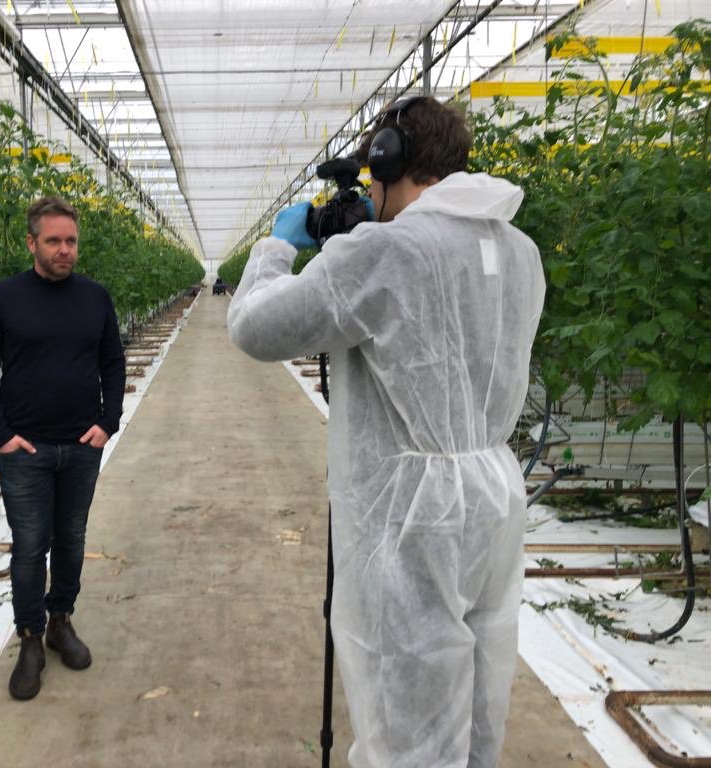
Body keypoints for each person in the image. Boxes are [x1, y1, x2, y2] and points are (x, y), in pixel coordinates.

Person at [227, 96, 545, 768]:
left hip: (413, 512)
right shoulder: (519, 250)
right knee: (481, 688)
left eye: (373, 172)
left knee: (410, 719)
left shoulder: (389, 250)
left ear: (387, 159)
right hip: (494, 490)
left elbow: (255, 328)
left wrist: (278, 246)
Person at [0, 196, 126, 701]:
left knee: (72, 539)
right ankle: (31, 638)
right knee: (30, 547)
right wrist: (2, 435)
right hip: (27, 451)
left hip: (82, 446)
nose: (65, 250)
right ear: (32, 243)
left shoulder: (95, 297)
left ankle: (62, 621)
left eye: (72, 241)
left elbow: (113, 364)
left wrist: (108, 422)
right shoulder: (3, 298)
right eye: (54, 240)